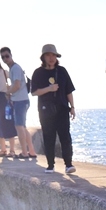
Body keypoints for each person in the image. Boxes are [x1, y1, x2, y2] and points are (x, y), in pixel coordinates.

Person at [30, 44, 76, 174]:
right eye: (48, 55)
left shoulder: (62, 71)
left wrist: (72, 107)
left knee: (65, 137)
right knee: (48, 137)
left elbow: (69, 91)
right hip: (45, 110)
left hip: (62, 108)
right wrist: (49, 89)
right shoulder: (38, 73)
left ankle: (68, 164)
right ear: (43, 57)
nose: (51, 58)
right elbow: (34, 92)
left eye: (53, 55)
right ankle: (50, 165)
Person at [0, 47, 37, 161]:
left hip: (20, 101)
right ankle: (31, 151)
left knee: (19, 126)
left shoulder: (15, 68)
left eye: (7, 56)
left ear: (11, 55)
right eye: (3, 57)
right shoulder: (13, 68)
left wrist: (8, 92)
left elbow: (16, 85)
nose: (5, 59)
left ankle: (24, 153)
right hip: (22, 100)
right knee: (23, 127)